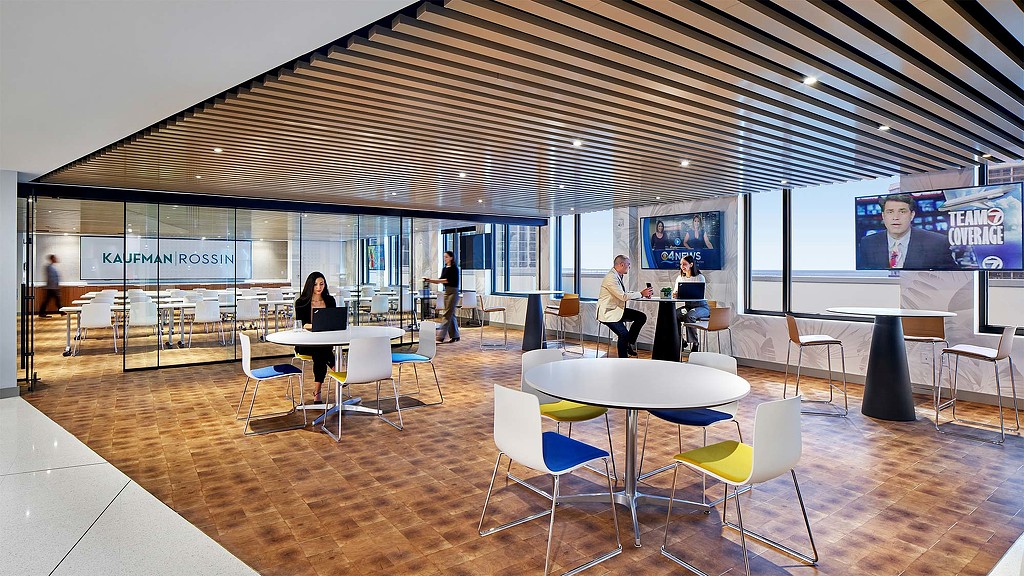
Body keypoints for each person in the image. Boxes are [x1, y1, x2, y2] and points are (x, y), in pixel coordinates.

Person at [857, 193, 954, 270]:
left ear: (912, 215)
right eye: (890, 212)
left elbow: (954, 278)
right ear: (883, 216)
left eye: (902, 212)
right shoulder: (868, 243)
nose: (896, 217)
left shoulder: (936, 243)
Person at [597, 255, 653, 358]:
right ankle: (623, 360)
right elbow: (623, 296)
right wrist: (641, 293)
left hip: (617, 310)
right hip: (608, 312)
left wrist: (642, 294)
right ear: (621, 265)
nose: (629, 266)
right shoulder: (611, 278)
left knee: (641, 317)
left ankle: (628, 343)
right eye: (628, 264)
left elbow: (623, 293)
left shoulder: (617, 276)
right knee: (623, 335)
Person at [294, 271, 336, 404]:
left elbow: (332, 321)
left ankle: (317, 393)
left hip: (324, 341)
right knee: (321, 351)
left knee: (321, 352)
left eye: (322, 284)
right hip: (305, 342)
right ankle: (337, 370)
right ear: (310, 285)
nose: (319, 287)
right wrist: (314, 326)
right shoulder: (301, 302)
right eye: (316, 284)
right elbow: (301, 324)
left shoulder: (330, 301)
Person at [672, 255, 709, 352]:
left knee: (690, 315)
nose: (682, 266)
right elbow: (675, 293)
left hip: (701, 307)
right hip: (688, 306)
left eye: (684, 264)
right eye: (681, 264)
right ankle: (680, 340)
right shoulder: (680, 278)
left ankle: (695, 343)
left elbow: (699, 295)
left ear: (691, 264)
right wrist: (675, 294)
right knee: (674, 315)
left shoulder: (700, 277)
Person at [423, 250, 460, 343]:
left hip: (453, 292)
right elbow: (440, 280)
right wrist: (429, 280)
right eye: (444, 257)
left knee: (447, 314)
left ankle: (441, 336)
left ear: (451, 258)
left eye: (446, 257)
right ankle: (455, 335)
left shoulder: (454, 269)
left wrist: (434, 280)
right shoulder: (445, 269)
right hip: (447, 292)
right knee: (451, 314)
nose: (445, 259)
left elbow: (447, 280)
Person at [38, 254, 64, 318]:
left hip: (53, 287)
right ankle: (61, 311)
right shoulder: (49, 267)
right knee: (51, 300)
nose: (56, 259)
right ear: (52, 259)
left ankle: (61, 311)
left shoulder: (52, 267)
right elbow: (51, 278)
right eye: (55, 258)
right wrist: (55, 286)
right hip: (51, 287)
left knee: (54, 300)